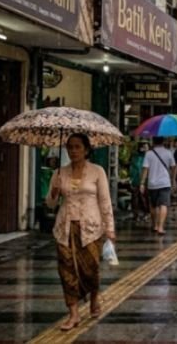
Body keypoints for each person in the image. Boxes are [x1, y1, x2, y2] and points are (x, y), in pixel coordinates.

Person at [45, 133, 115, 331]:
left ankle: (93, 296)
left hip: (91, 229)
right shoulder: (60, 173)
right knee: (66, 271)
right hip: (64, 228)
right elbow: (50, 204)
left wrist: (110, 229)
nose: (73, 151)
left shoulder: (97, 171)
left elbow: (105, 201)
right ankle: (73, 313)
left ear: (86, 149)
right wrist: (54, 191)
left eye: (77, 147)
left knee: (90, 269)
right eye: (70, 147)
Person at [140, 136, 177, 235]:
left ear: (153, 141)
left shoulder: (149, 154)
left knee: (153, 205)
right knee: (163, 204)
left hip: (152, 183)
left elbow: (145, 169)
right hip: (165, 183)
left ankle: (155, 225)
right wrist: (173, 179)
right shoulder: (168, 153)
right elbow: (174, 167)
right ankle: (161, 227)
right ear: (163, 141)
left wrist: (142, 183)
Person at [130, 141, 149, 222]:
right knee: (135, 198)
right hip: (136, 180)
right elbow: (133, 169)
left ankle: (146, 213)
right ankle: (136, 214)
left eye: (145, 147)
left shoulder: (149, 157)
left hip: (146, 181)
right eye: (142, 146)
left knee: (144, 198)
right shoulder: (135, 157)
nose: (144, 148)